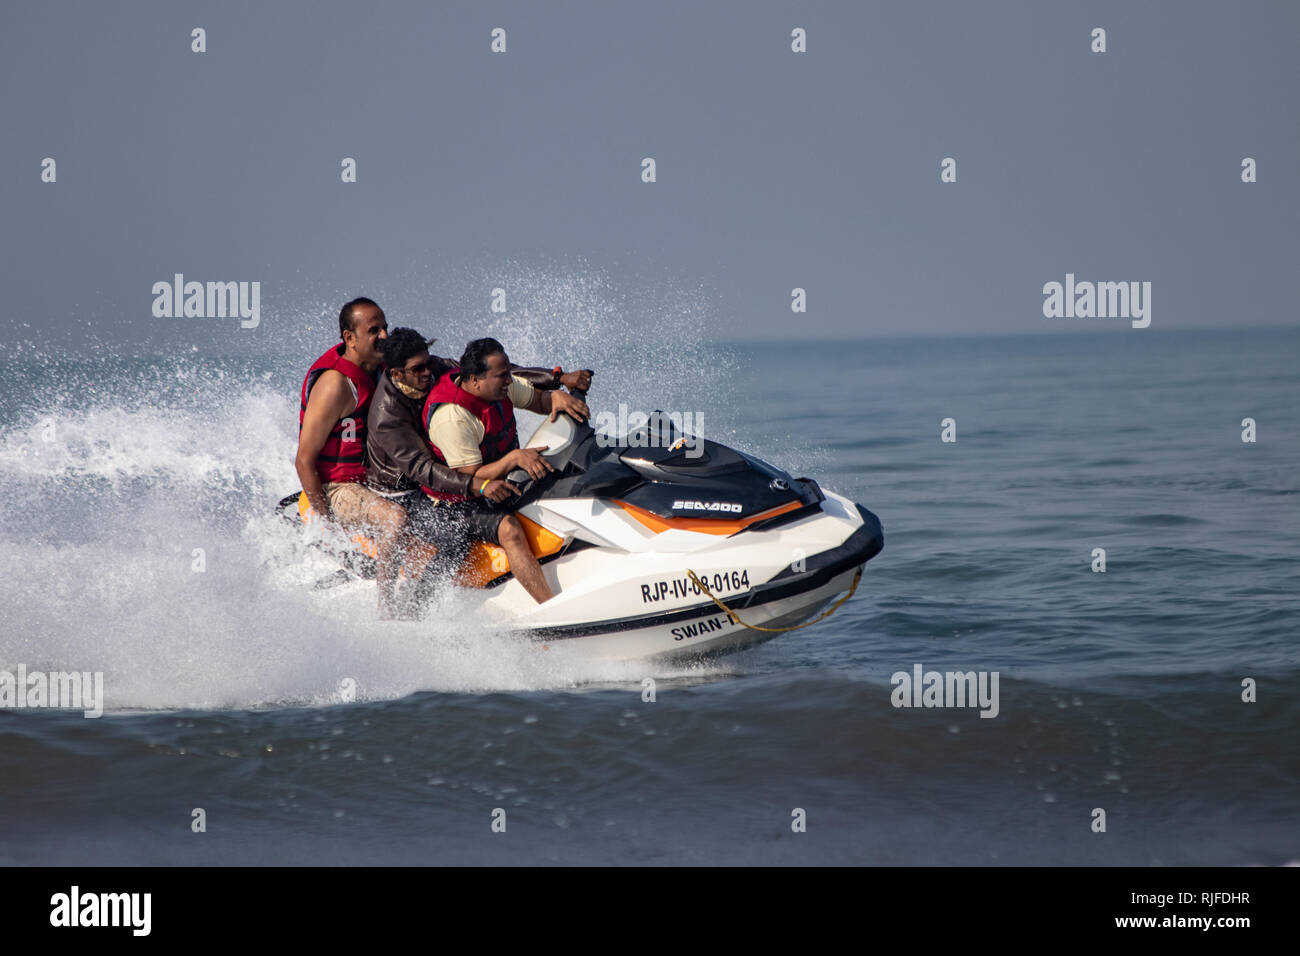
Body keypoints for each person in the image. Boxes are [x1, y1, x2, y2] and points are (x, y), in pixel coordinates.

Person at [421, 337, 590, 603]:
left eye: (508, 373)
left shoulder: (499, 386)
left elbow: (540, 401)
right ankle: (548, 607)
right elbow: (469, 477)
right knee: (510, 529)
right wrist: (513, 459)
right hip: (458, 499)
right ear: (476, 380)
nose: (509, 381)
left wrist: (559, 399)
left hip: (503, 478)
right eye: (502, 375)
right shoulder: (452, 416)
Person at [295, 298, 434, 618]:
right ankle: (386, 611)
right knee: (394, 519)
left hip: (377, 480)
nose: (384, 335)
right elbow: (303, 460)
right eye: (374, 330)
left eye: (385, 326)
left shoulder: (383, 366)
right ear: (350, 338)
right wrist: (328, 523)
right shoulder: (335, 385)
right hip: (339, 486)